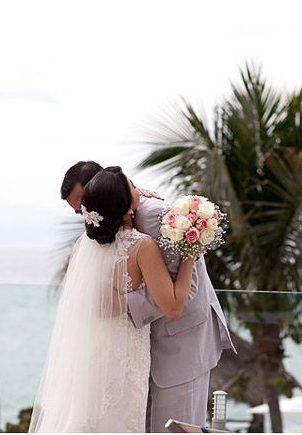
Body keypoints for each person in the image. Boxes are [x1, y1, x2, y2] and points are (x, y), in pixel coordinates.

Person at [58, 160, 237, 432]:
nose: (87, 214)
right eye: (80, 211)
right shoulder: (104, 232)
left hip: (180, 344)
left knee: (175, 429)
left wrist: (122, 305)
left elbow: (187, 293)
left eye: (85, 203)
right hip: (133, 351)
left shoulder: (154, 218)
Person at [29, 167, 196, 432]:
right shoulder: (141, 246)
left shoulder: (87, 245)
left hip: (92, 354)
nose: (138, 189)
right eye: (132, 187)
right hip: (125, 358)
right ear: (127, 203)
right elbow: (173, 307)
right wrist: (190, 254)